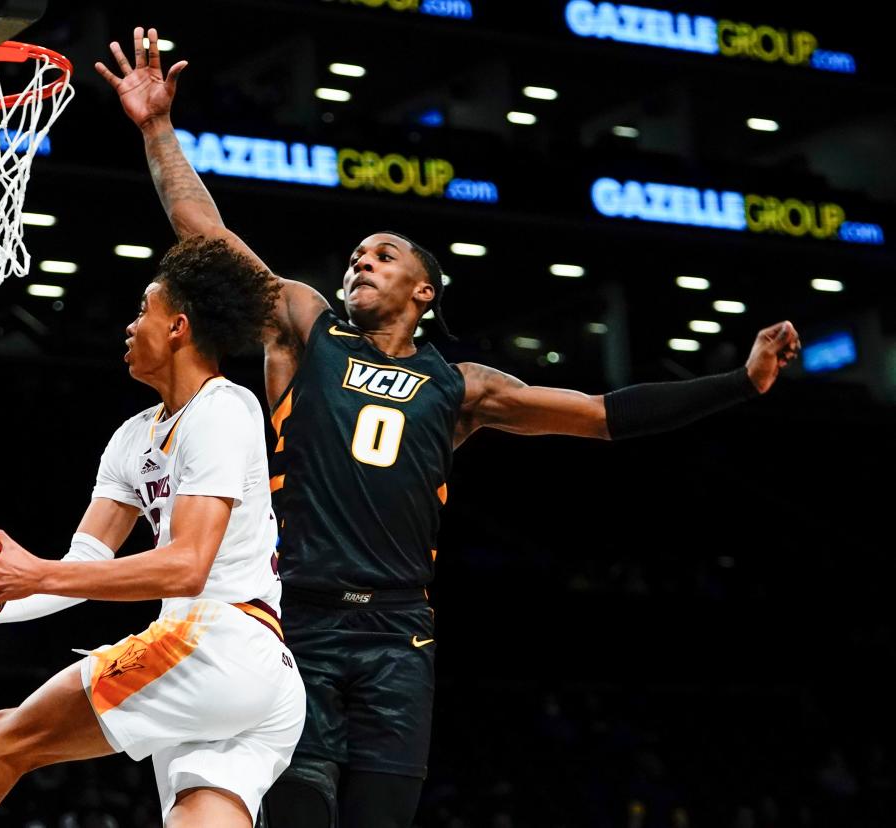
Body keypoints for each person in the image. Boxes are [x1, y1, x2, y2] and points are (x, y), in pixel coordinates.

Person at [97, 28, 803, 828]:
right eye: (356, 253)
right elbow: (206, 235)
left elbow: (605, 416)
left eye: (384, 254)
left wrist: (739, 384)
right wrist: (157, 129)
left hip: (401, 631)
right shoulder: (305, 329)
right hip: (299, 617)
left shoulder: (464, 385)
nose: (361, 260)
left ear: (424, 291)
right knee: (298, 814)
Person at [0, 236, 305, 828]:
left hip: (218, 641)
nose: (129, 325)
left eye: (143, 310)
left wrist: (32, 573)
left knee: (3, 741)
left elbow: (187, 566)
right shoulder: (131, 439)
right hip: (254, 681)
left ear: (178, 327)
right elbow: (82, 566)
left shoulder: (223, 409)